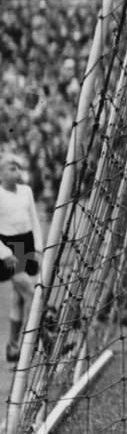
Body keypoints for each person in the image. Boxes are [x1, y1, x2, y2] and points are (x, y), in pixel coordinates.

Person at [0, 152, 43, 362]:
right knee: (30, 292)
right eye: (11, 168)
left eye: (18, 168)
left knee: (19, 297)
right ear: (1, 173)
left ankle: (12, 346)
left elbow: (34, 219)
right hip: (7, 248)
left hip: (25, 244)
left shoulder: (26, 191)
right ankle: (47, 336)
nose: (16, 172)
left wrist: (38, 247)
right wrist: (5, 254)